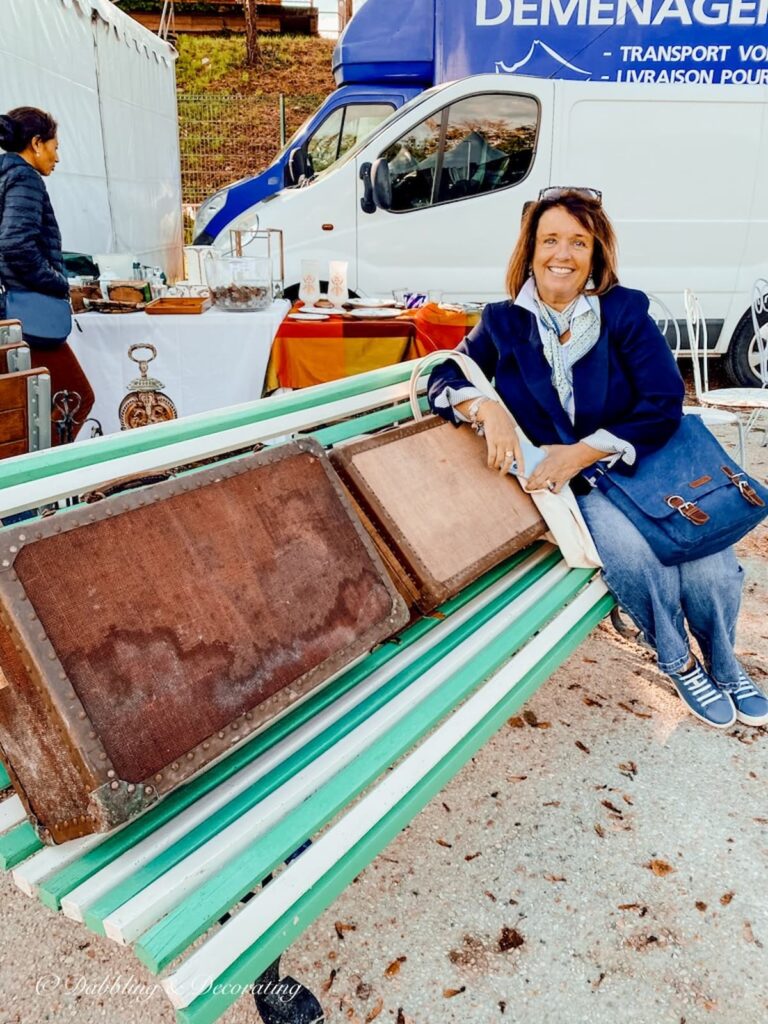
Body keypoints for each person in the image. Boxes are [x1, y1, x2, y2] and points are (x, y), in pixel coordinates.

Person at [428, 187, 768, 730]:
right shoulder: (501, 322)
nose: (562, 254)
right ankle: (678, 660)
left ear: (595, 254)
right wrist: (483, 407)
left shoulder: (624, 311)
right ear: (531, 250)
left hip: (641, 465)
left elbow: (663, 402)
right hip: (577, 491)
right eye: (550, 240)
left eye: (577, 242)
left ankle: (725, 663)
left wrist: (584, 450)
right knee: (636, 558)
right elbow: (444, 374)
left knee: (708, 561)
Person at [0, 106, 94, 444]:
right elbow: (14, 245)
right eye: (55, 146)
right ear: (37, 143)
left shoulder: (5, 174)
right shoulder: (25, 177)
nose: (57, 157)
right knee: (74, 397)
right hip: (25, 314)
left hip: (11, 315)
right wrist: (58, 283)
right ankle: (48, 479)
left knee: (20, 410)